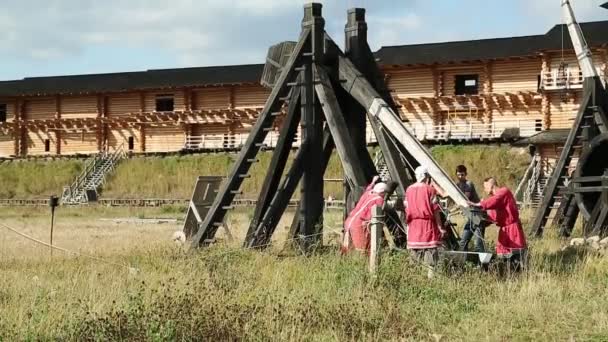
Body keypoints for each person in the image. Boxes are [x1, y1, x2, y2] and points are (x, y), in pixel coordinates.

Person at [470, 177, 528, 269]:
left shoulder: (504, 192)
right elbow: (492, 217)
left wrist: (479, 204)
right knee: (503, 255)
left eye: (485, 187)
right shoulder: (495, 199)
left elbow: (495, 200)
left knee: (516, 254)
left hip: (513, 228)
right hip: (504, 230)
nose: (485, 190)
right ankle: (507, 274)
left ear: (490, 185)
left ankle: (520, 274)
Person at [405, 166, 446, 277]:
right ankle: (430, 278)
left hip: (413, 225)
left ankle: (413, 278)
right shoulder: (430, 190)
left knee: (415, 252)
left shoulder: (408, 190)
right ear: (426, 176)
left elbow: (407, 209)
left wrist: (408, 225)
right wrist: (440, 227)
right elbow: (436, 210)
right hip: (427, 225)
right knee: (430, 253)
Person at [342, 182, 387, 253]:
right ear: (382, 192)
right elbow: (379, 210)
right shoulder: (379, 199)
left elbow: (368, 189)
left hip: (349, 221)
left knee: (350, 248)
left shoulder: (368, 194)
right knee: (363, 248)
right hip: (359, 224)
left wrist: (373, 182)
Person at [454, 165, 485, 252]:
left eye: (462, 175)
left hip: (477, 216)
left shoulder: (468, 184)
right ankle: (463, 262)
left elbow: (465, 199)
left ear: (466, 174)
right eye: (458, 175)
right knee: (463, 242)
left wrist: (457, 208)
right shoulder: (457, 185)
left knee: (478, 244)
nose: (460, 177)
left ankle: (483, 264)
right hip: (470, 216)